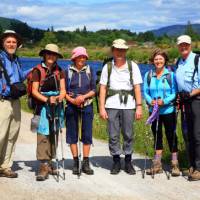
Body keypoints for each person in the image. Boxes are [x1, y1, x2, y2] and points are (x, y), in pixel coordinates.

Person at [99, 39, 143, 175]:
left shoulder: (133, 66)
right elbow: (103, 88)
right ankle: (116, 161)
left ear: (125, 51)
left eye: (122, 50)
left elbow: (137, 87)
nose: (120, 52)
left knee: (128, 134)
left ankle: (128, 161)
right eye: (117, 49)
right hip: (111, 105)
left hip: (129, 105)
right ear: (113, 50)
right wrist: (101, 107)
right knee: (113, 134)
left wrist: (139, 106)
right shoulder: (107, 67)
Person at [31, 44, 66, 181]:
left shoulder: (60, 71)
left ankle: (50, 162)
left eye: (54, 54)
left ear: (57, 56)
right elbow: (34, 91)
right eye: (49, 53)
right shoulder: (37, 71)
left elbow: (63, 90)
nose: (51, 56)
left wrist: (58, 98)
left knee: (54, 134)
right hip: (42, 107)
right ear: (44, 55)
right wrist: (47, 99)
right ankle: (43, 165)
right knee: (43, 135)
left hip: (56, 106)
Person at [143, 49, 180, 176]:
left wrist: (164, 101)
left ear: (165, 60)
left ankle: (175, 164)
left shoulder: (171, 75)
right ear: (153, 61)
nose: (158, 61)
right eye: (156, 59)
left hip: (168, 110)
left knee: (171, 136)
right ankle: (157, 164)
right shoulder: (148, 75)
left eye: (160, 59)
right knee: (157, 136)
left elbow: (175, 92)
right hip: (154, 111)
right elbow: (146, 92)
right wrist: (150, 101)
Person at [0, 30, 30, 178]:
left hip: (16, 101)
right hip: (2, 101)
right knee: (0, 135)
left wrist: (33, 70)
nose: (11, 44)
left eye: (14, 42)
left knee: (12, 135)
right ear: (3, 43)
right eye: (8, 42)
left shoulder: (16, 60)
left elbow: (20, 77)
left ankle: (5, 166)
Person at [65, 46, 96, 175]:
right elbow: (63, 91)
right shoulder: (66, 71)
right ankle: (75, 162)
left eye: (84, 57)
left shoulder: (90, 70)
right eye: (79, 56)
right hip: (71, 106)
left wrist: (83, 97)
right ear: (74, 58)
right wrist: (72, 100)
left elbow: (94, 90)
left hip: (87, 105)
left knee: (87, 134)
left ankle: (86, 163)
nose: (82, 59)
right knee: (72, 134)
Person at [176, 35, 200, 181]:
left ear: (190, 45)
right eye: (181, 45)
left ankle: (198, 168)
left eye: (186, 44)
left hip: (196, 101)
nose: (183, 47)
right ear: (178, 47)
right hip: (184, 102)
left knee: (197, 135)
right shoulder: (179, 62)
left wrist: (190, 93)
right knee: (188, 135)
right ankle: (191, 165)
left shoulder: (197, 60)